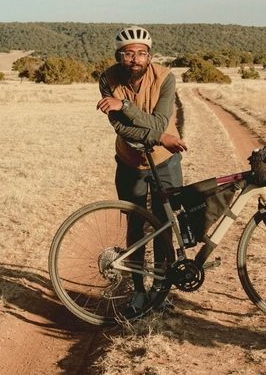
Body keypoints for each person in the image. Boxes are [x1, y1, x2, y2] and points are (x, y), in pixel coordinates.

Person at [97, 25, 187, 316]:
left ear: (149, 56)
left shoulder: (165, 78)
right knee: (135, 226)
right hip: (130, 162)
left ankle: (161, 290)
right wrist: (159, 136)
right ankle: (138, 290)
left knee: (164, 224)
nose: (135, 59)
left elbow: (160, 123)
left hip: (164, 160)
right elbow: (121, 128)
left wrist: (124, 104)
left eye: (142, 53)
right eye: (128, 54)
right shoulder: (108, 79)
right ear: (118, 56)